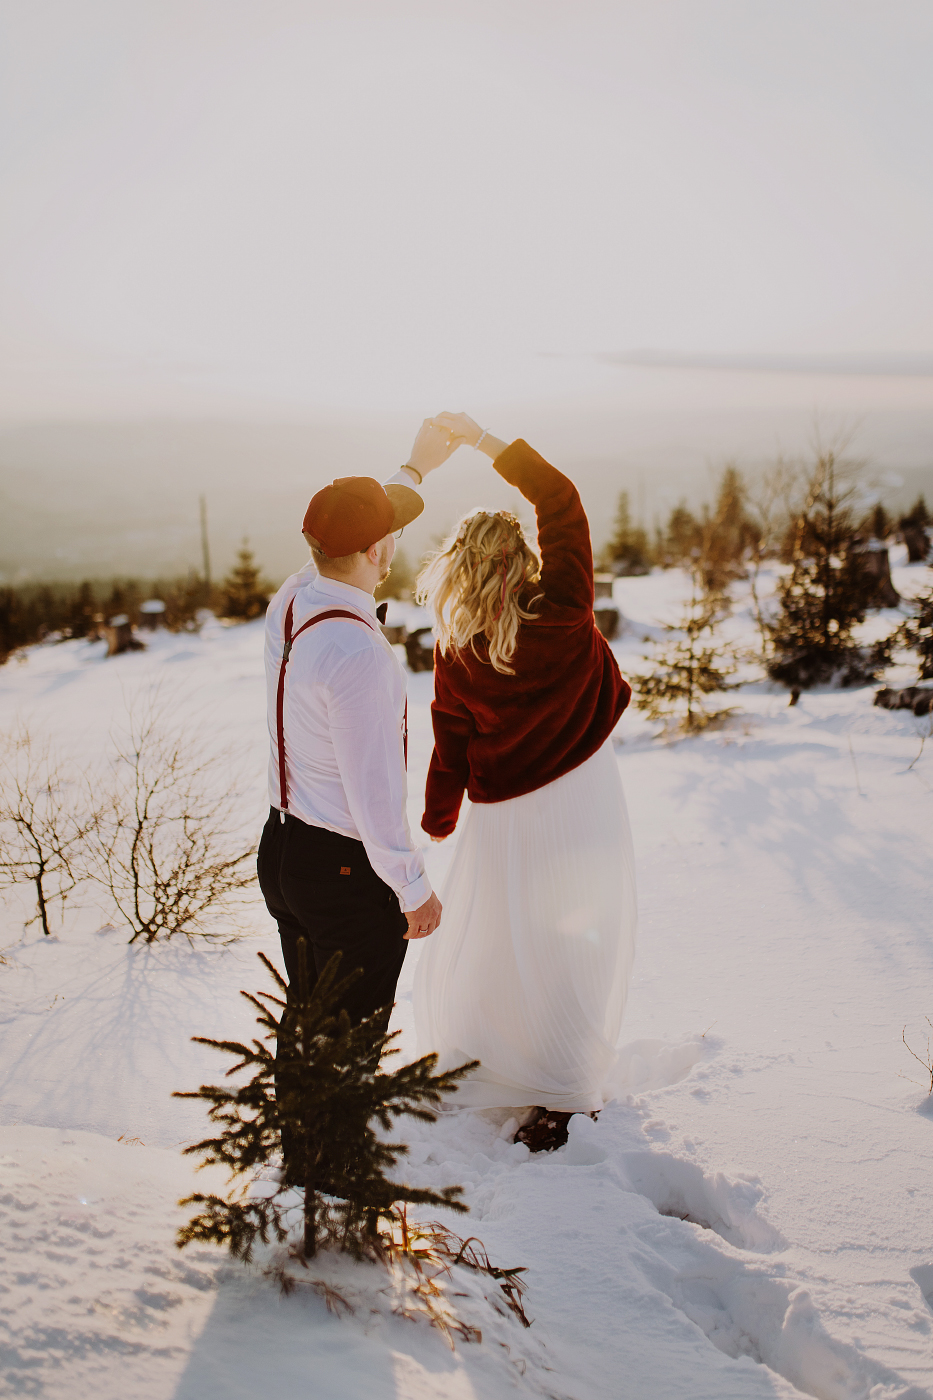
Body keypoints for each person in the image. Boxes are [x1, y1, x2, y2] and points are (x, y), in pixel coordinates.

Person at [413, 412, 637, 1153]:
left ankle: (505, 1062)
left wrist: (439, 817)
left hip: (504, 812)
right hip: (580, 794)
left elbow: (450, 736)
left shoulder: (457, 647)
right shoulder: (565, 607)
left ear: (460, 567)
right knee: (574, 939)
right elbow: (561, 500)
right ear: (522, 560)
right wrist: (481, 442)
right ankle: (561, 1080)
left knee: (507, 940)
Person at [257, 418, 457, 1038]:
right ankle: (329, 1140)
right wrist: (413, 887)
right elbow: (373, 795)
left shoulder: (292, 597)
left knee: (308, 1036)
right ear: (378, 552)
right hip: (344, 872)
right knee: (345, 1055)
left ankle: (302, 1138)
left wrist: (415, 469)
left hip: (283, 851)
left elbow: (365, 522)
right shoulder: (359, 654)